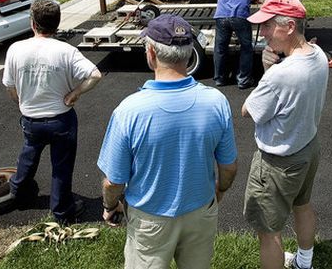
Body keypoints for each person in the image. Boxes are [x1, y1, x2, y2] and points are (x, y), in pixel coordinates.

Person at [97, 14, 238, 269]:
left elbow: (113, 182)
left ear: (151, 53)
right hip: (201, 211)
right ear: (190, 53)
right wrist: (219, 193)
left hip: (150, 220)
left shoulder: (129, 111)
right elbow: (228, 167)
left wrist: (110, 205)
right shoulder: (216, 102)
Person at [241, 0, 329, 269]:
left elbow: (248, 111)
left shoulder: (280, 74)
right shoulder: (319, 55)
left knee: (268, 231)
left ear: (289, 26)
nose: (263, 33)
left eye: (268, 26)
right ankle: (305, 262)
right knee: (302, 205)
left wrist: (267, 70)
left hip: (277, 162)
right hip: (307, 148)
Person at [2, 0, 102, 223]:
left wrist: (21, 102)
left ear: (32, 23)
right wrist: (75, 93)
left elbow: (9, 86)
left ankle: (18, 192)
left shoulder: (16, 49)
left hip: (31, 119)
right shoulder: (66, 51)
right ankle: (61, 212)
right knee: (61, 167)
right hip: (61, 119)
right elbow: (95, 75)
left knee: (29, 155)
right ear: (57, 24)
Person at [213, 0, 267, 89]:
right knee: (246, 47)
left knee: (220, 48)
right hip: (240, 15)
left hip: (221, 14)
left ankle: (220, 79)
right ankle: (243, 80)